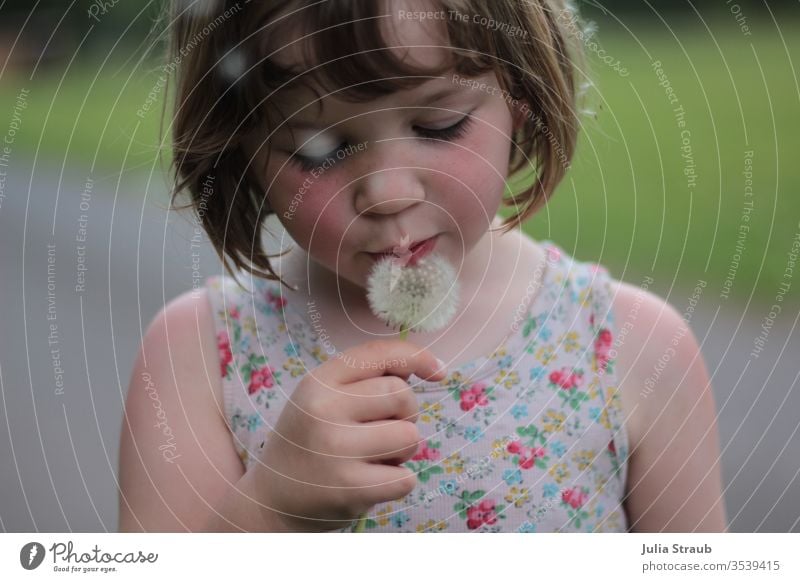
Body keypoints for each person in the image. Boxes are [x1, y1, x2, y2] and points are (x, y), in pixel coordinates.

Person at [118, 0, 728, 532]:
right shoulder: (196, 358)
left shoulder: (629, 347)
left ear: (521, 98)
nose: (385, 191)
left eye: (438, 124)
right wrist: (271, 516)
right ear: (242, 149)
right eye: (314, 146)